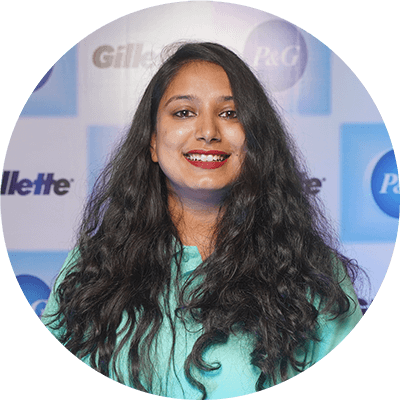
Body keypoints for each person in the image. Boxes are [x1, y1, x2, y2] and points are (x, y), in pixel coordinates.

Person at [42, 42, 363, 400]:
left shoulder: (313, 274)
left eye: (230, 114)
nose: (208, 130)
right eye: (183, 113)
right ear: (151, 141)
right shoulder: (92, 268)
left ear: (254, 140)